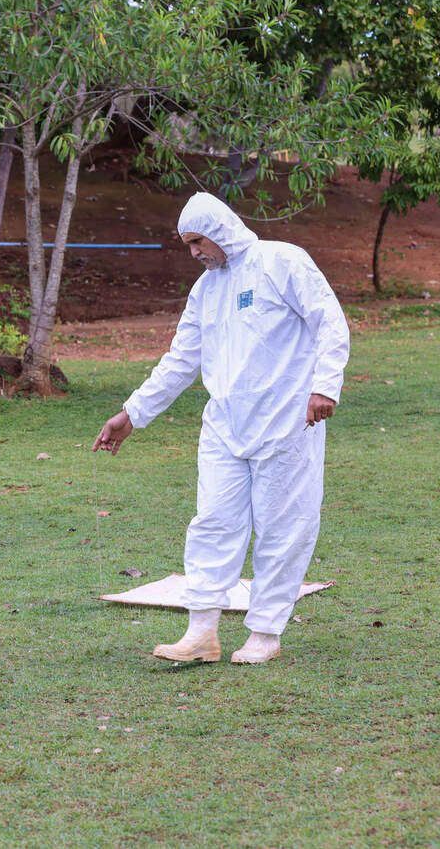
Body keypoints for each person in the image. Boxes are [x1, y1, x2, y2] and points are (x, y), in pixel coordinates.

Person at [93, 192, 350, 664]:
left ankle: (265, 633)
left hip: (287, 422)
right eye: (187, 244)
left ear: (221, 230)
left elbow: (329, 322)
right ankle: (202, 632)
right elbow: (180, 360)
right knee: (212, 523)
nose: (194, 253)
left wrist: (325, 386)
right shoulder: (205, 291)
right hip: (225, 427)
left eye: (197, 241)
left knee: (282, 526)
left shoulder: (282, 261)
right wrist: (132, 414)